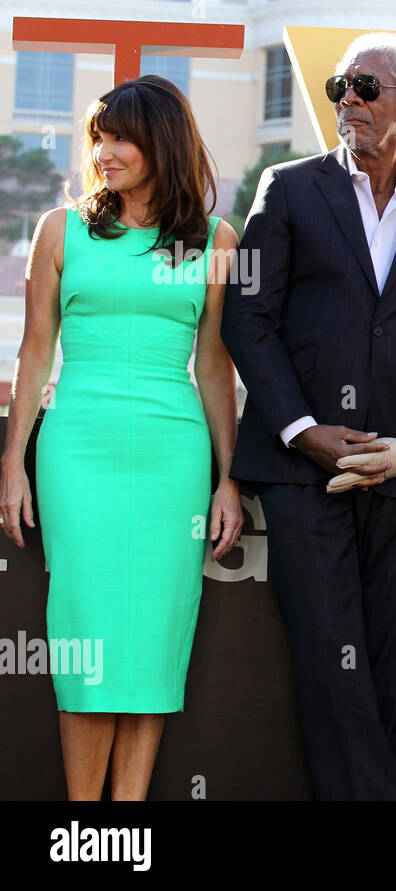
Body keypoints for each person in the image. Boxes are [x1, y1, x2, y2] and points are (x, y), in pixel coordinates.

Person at [221, 32, 396, 800]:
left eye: (365, 88)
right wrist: (303, 431)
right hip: (304, 474)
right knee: (331, 653)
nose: (348, 101)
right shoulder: (288, 187)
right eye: (340, 87)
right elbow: (247, 319)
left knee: (379, 666)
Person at [0, 75, 242, 800]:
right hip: (78, 452)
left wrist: (227, 477)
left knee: (151, 646)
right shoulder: (60, 229)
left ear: (161, 142)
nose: (103, 152)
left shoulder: (216, 240)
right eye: (97, 137)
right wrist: (13, 463)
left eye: (121, 138)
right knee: (89, 640)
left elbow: (214, 364)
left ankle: (127, 823)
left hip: (174, 461)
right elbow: (34, 352)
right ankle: (85, 824)